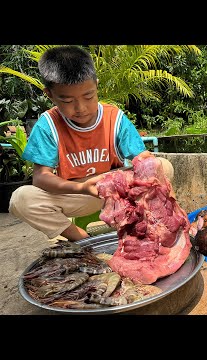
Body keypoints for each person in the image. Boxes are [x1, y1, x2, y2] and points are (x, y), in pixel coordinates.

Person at [9, 45, 174, 242]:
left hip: (118, 189)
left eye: (88, 96)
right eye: (68, 100)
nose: (80, 108)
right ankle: (81, 238)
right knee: (21, 199)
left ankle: (145, 224)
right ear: (49, 94)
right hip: (77, 194)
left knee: (162, 166)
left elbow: (140, 157)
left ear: (96, 85)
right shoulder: (48, 125)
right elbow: (41, 178)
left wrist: (144, 160)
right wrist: (82, 188)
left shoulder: (115, 118)